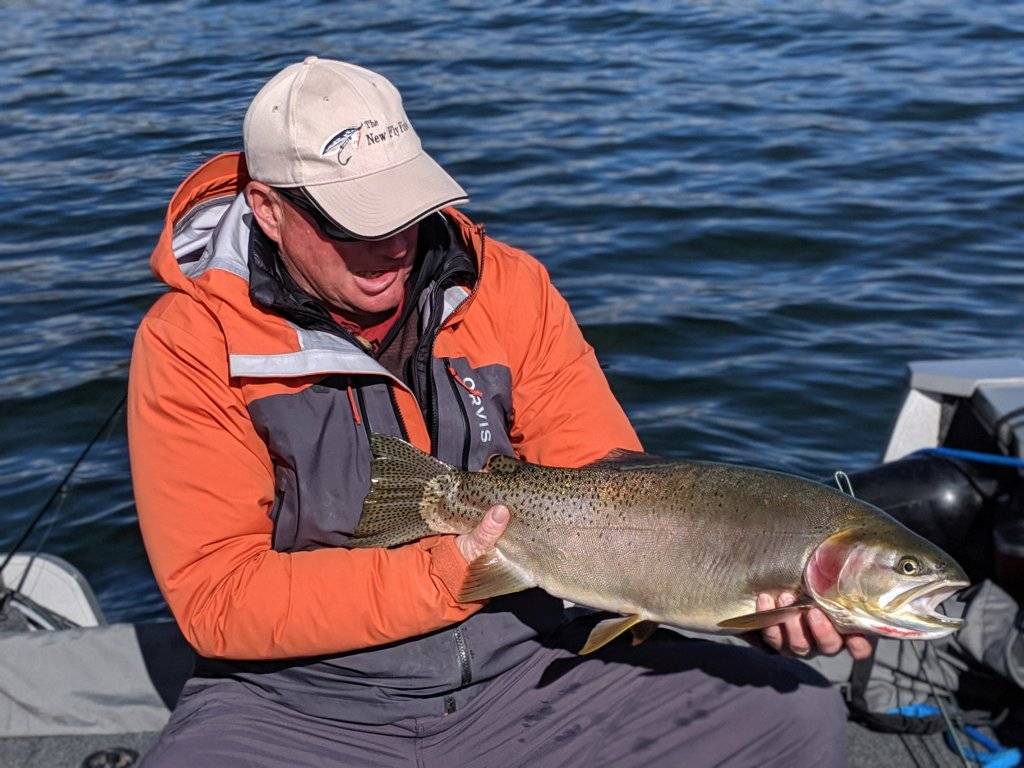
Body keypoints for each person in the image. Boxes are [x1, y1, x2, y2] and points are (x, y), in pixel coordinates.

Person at [128, 56, 868, 767]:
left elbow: (610, 487)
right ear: (269, 210)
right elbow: (219, 599)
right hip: (297, 702)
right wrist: (453, 567)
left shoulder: (510, 286)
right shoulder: (190, 343)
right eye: (354, 223)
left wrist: (741, 597)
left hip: (529, 667)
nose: (390, 246)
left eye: (405, 210)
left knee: (792, 718)